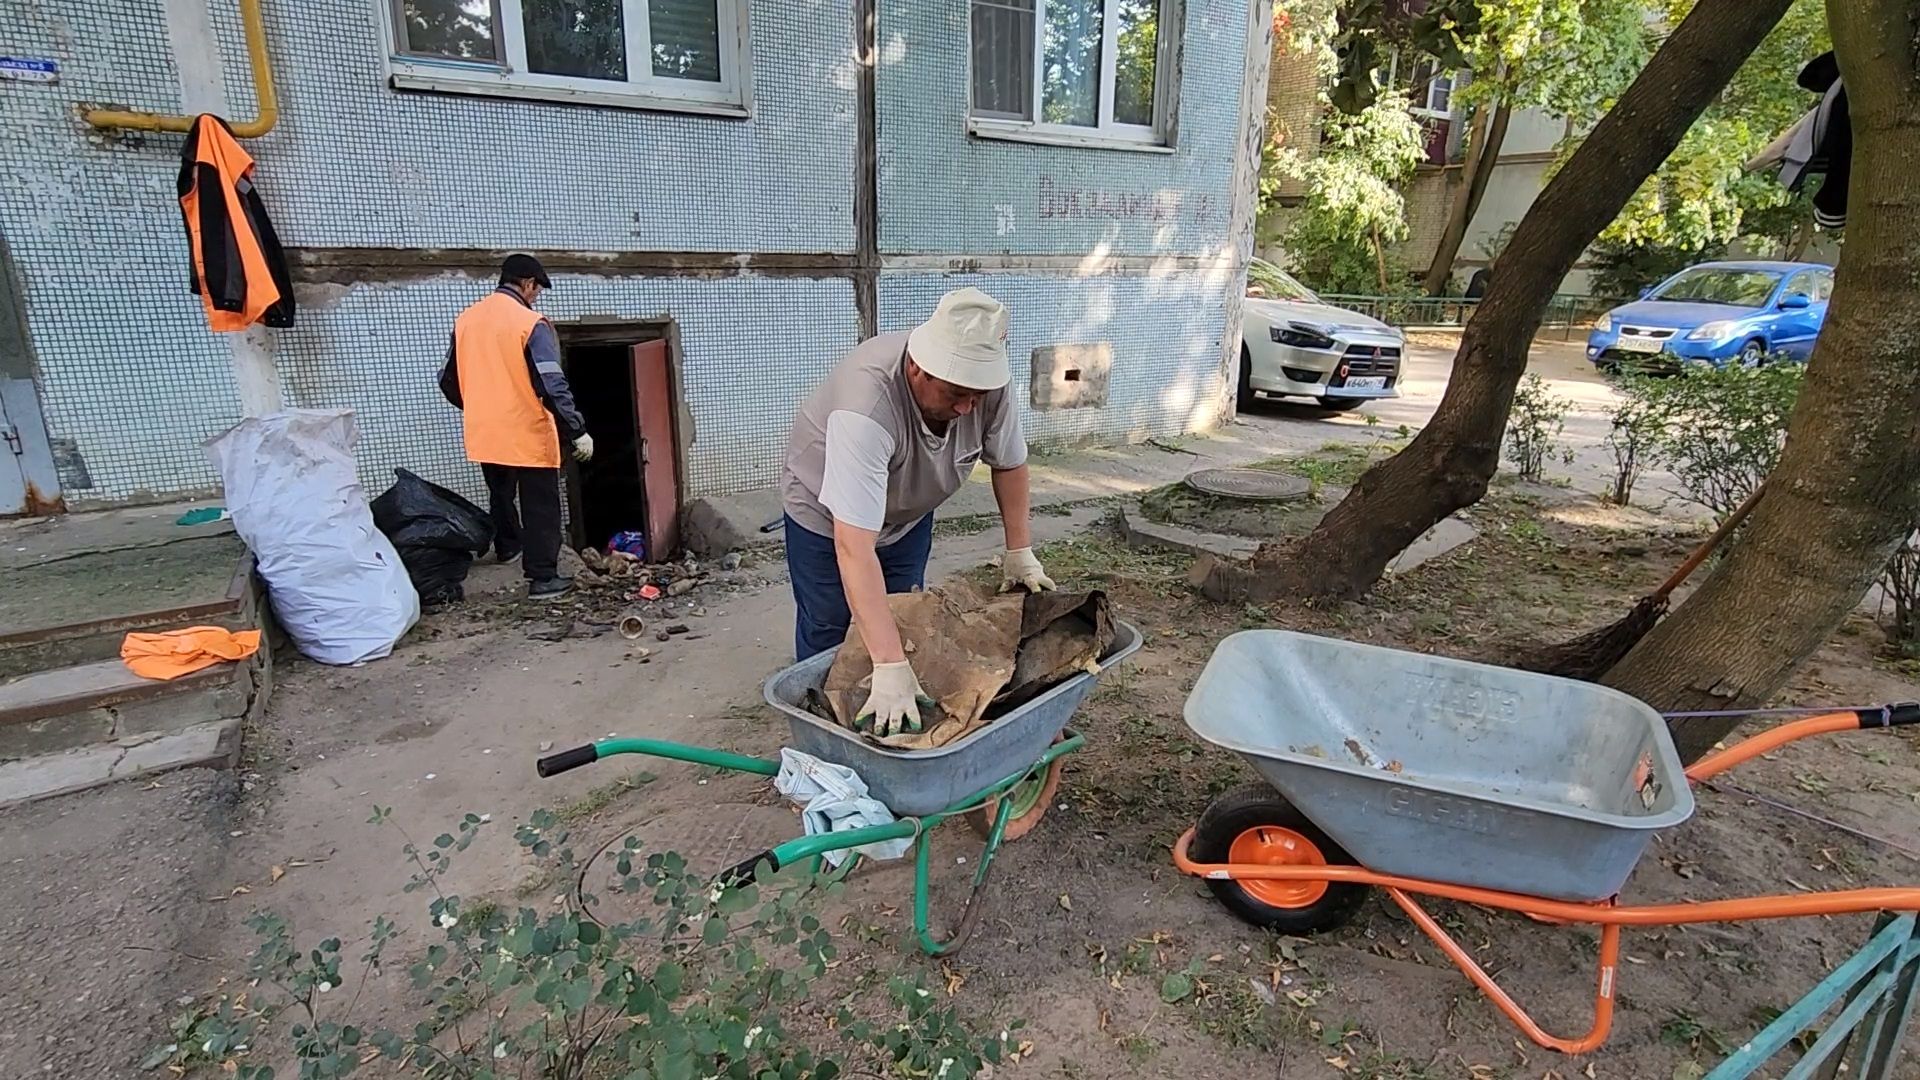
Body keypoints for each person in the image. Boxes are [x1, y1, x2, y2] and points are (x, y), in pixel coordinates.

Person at [782, 287, 1055, 735]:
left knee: (906, 615)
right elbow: (853, 549)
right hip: (827, 522)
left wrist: (1019, 550)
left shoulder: (985, 387)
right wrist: (888, 663)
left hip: (907, 515)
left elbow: (1009, 462)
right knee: (832, 632)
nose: (968, 407)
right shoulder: (866, 408)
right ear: (916, 368)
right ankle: (828, 740)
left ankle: (896, 720)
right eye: (956, 394)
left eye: (977, 395)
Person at [438, 254, 593, 600]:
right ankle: (542, 578)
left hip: (486, 430)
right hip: (525, 429)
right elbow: (551, 383)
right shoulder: (529, 322)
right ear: (527, 284)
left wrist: (478, 407)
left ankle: (509, 546)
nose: (537, 296)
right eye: (538, 289)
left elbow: (448, 380)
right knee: (541, 505)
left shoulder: (466, 320)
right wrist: (576, 429)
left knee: (501, 491)